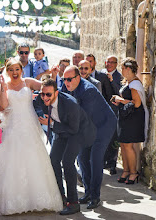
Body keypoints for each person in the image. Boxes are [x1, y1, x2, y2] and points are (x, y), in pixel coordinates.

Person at [0, 59, 63, 215]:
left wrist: (53, 74)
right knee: (12, 158)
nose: (14, 72)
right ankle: (13, 200)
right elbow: (3, 106)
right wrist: (4, 88)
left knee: (34, 158)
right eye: (11, 69)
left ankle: (36, 199)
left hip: (30, 124)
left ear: (21, 70)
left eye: (17, 69)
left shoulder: (28, 82)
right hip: (13, 126)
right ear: (7, 71)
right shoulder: (4, 85)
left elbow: (46, 88)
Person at [37, 78, 96, 215]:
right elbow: (35, 104)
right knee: (53, 160)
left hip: (78, 132)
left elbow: (74, 129)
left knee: (68, 162)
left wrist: (50, 123)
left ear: (56, 93)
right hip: (62, 132)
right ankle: (60, 197)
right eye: (42, 94)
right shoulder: (42, 98)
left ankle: (73, 203)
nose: (45, 97)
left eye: (48, 95)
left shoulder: (70, 104)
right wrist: (41, 114)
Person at [62, 66, 117, 209]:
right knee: (82, 158)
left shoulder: (89, 91)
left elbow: (81, 118)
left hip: (103, 125)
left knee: (95, 159)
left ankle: (95, 196)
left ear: (78, 78)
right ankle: (87, 192)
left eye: (69, 79)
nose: (66, 82)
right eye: (64, 79)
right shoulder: (66, 85)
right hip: (87, 127)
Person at [111, 57, 149, 184]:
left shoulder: (134, 84)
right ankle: (126, 170)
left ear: (127, 69)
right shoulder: (129, 82)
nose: (121, 70)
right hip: (125, 116)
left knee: (128, 145)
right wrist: (119, 103)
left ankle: (133, 173)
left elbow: (136, 103)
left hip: (133, 118)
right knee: (123, 144)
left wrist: (119, 99)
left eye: (122, 68)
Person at [102, 55, 123, 174]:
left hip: (114, 112)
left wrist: (111, 80)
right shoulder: (101, 73)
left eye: (112, 62)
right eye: (107, 62)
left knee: (114, 139)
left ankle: (113, 164)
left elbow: (119, 92)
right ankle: (104, 161)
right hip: (103, 111)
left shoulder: (119, 77)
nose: (109, 64)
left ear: (116, 64)